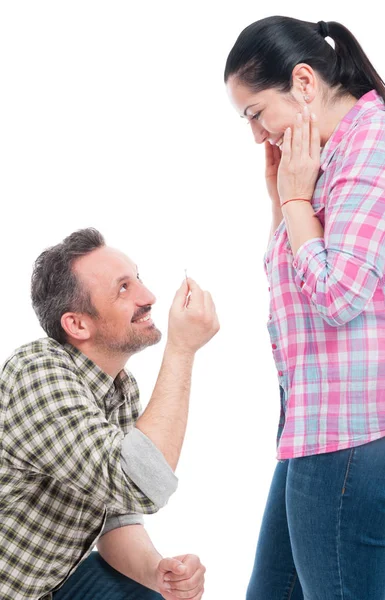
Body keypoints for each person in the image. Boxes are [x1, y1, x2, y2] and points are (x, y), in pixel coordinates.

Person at [225, 15, 385, 600]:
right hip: (314, 427)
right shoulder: (324, 156)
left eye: (256, 113)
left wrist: (296, 198)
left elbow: (339, 295)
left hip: (351, 430)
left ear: (303, 82)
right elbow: (286, 282)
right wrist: (282, 202)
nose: (257, 134)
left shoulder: (371, 145)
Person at [0, 228, 219, 600]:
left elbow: (118, 511)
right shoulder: (35, 373)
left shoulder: (119, 387)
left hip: (52, 583)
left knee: (148, 594)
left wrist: (156, 572)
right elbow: (141, 484)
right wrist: (182, 350)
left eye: (138, 278)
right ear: (78, 324)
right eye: (123, 288)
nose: (148, 297)